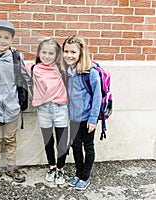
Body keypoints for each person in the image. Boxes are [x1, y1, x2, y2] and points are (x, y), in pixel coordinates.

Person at [0, 20, 31, 185]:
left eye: (6, 37)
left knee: (10, 138)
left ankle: (11, 167)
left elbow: (25, 78)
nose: (2, 40)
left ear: (11, 40)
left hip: (11, 104)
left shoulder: (17, 56)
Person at [24, 38, 69, 184]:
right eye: (43, 52)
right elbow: (15, 64)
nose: (47, 56)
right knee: (48, 141)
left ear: (57, 55)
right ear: (38, 53)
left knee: (62, 143)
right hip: (43, 109)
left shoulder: (62, 68)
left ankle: (61, 170)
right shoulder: (33, 68)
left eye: (51, 53)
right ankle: (52, 167)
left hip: (60, 108)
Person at [62, 35, 102, 190]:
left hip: (87, 118)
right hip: (73, 118)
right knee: (76, 146)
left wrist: (93, 119)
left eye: (73, 52)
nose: (69, 55)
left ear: (81, 53)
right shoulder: (67, 70)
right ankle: (78, 174)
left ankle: (85, 177)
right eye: (66, 51)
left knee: (88, 147)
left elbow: (97, 97)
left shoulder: (90, 72)